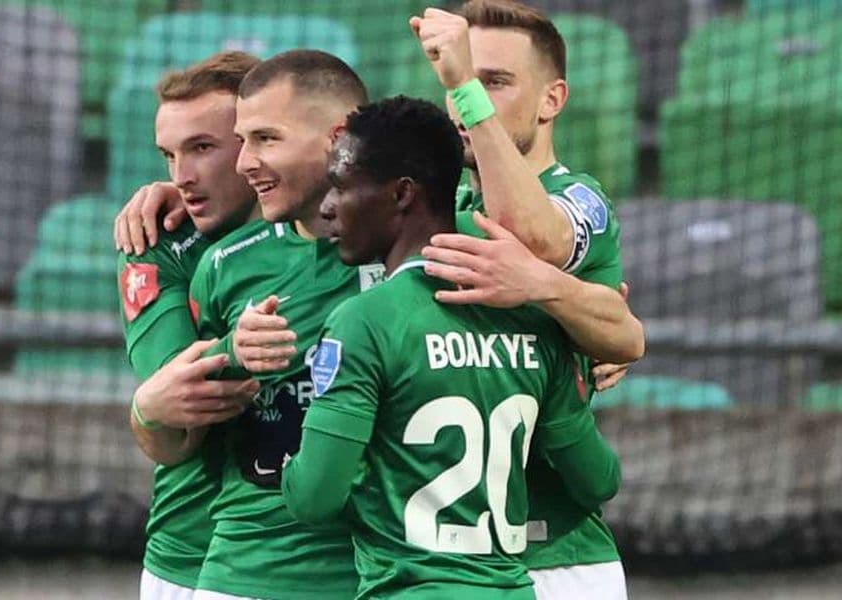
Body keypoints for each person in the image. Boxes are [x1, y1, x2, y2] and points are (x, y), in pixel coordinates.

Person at [282, 95, 621, 599]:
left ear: (402, 194)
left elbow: (313, 497)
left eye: (342, 186)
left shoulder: (364, 322)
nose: (327, 206)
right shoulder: (535, 320)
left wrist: (318, 465)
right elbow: (598, 481)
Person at [411, 2, 636, 597]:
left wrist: (464, 88)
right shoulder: (433, 209)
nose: (466, 101)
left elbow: (531, 239)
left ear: (551, 99)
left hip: (559, 558)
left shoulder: (582, 198)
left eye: (494, 81)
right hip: (437, 561)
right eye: (462, 79)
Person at [185, 50, 378, 600]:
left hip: (385, 576)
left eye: (266, 139)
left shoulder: (430, 241)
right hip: (247, 575)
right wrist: (229, 353)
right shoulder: (225, 264)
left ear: (339, 137)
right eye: (242, 141)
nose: (245, 162)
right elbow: (173, 435)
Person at [117, 52, 262, 600]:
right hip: (188, 555)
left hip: (326, 559)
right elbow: (181, 407)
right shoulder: (158, 239)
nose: (181, 176)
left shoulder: (351, 232)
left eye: (202, 148)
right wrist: (147, 410)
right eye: (169, 155)